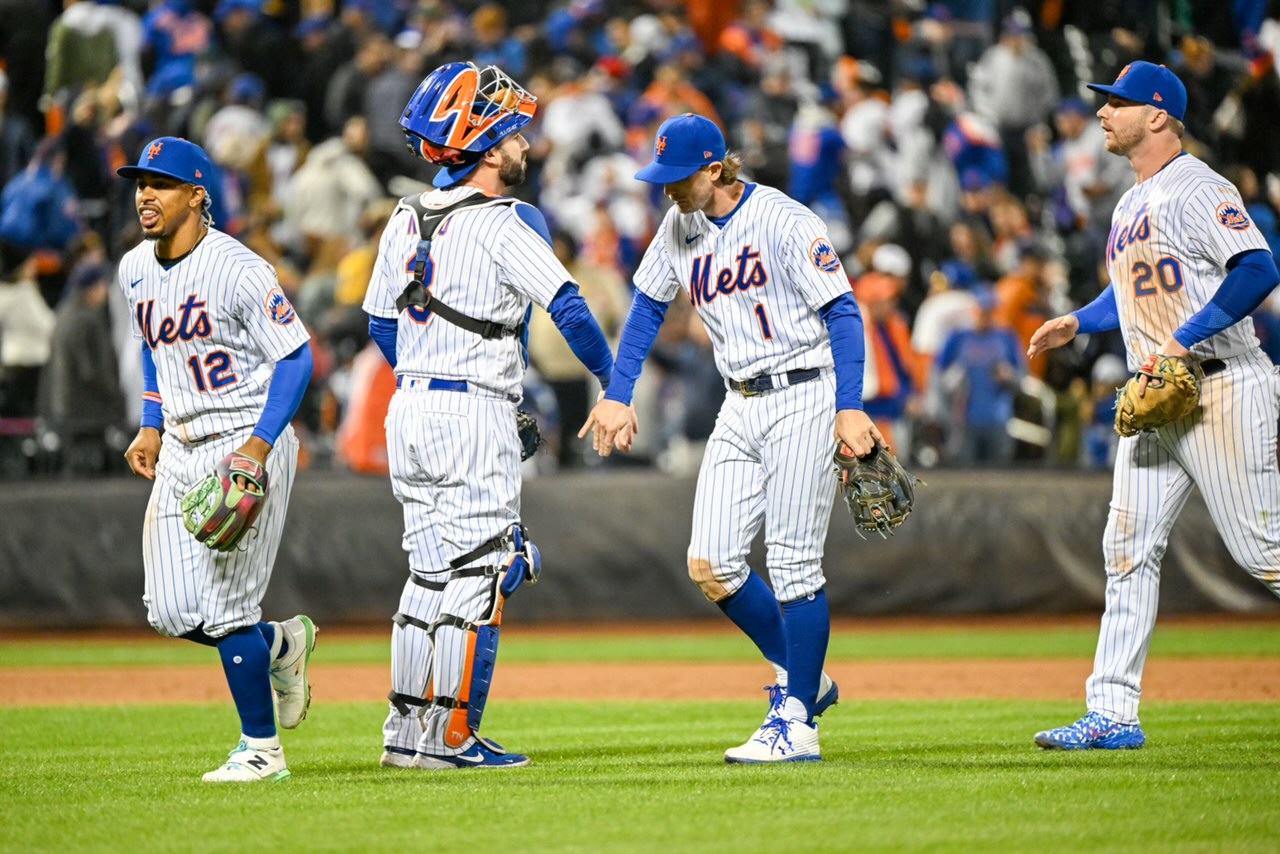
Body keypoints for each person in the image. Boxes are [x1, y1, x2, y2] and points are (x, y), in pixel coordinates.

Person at [580, 112, 880, 763]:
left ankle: (797, 720)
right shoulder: (678, 226)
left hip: (805, 391)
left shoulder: (784, 220)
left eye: (678, 177)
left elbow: (843, 310)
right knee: (710, 562)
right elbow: (647, 306)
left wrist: (850, 407)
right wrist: (618, 393)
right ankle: (807, 675)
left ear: (715, 168)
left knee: (796, 564)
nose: (667, 189)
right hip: (739, 402)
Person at [364, 62, 614, 770]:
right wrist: (611, 383)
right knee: (487, 566)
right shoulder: (504, 222)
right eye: (512, 133)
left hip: (409, 404)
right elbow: (567, 305)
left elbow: (383, 326)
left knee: (427, 575)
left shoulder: (404, 216)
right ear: (485, 143)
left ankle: (404, 734)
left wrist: (429, 374)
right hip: (471, 409)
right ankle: (451, 738)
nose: (523, 144)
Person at [1027, 63, 1280, 749]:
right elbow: (1133, 289)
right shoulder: (1130, 201)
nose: (1103, 113)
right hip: (1159, 396)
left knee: (1266, 553)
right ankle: (1112, 713)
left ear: (1158, 114)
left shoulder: (1198, 185)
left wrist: (1181, 338)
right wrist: (1078, 322)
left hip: (1221, 387)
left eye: (1118, 104)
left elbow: (1258, 267)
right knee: (1127, 550)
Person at [116, 137, 318, 781]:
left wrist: (257, 449)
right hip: (179, 442)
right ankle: (283, 644)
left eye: (161, 184)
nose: (145, 194)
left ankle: (261, 749)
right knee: (172, 611)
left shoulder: (239, 269)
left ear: (197, 194)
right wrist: (151, 424)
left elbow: (296, 357)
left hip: (244, 438)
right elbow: (155, 345)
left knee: (229, 610)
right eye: (140, 183)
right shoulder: (133, 269)